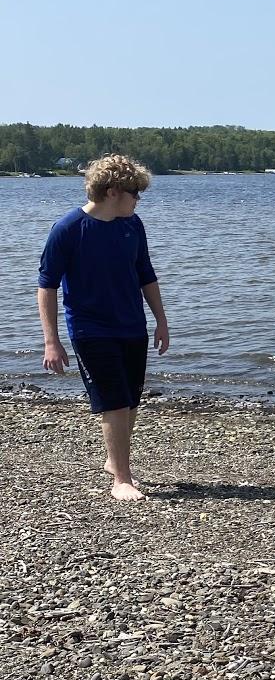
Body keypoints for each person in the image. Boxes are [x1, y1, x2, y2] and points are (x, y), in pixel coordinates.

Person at [37, 154, 169, 502]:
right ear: (113, 191)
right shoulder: (68, 228)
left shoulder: (132, 224)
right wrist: (52, 341)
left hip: (132, 326)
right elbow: (46, 285)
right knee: (114, 401)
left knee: (130, 399)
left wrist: (161, 320)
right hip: (90, 328)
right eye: (135, 192)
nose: (138, 199)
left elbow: (146, 273)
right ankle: (121, 479)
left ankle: (115, 461)